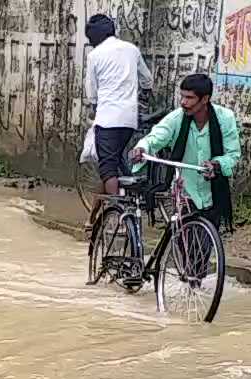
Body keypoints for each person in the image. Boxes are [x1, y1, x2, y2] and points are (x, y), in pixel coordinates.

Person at [130, 73, 241, 234]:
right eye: (182, 97)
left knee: (207, 244)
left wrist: (217, 164)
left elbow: (233, 154)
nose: (183, 102)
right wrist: (142, 148)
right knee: (184, 242)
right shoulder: (177, 118)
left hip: (213, 192)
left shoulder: (225, 118)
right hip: (184, 191)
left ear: (205, 99)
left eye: (189, 98)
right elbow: (155, 137)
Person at [83, 13, 153, 237]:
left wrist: (94, 105)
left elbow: (92, 92)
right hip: (129, 120)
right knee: (112, 164)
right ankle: (92, 218)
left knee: (108, 168)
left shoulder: (95, 56)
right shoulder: (131, 49)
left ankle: (120, 214)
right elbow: (147, 79)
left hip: (108, 120)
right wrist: (143, 92)